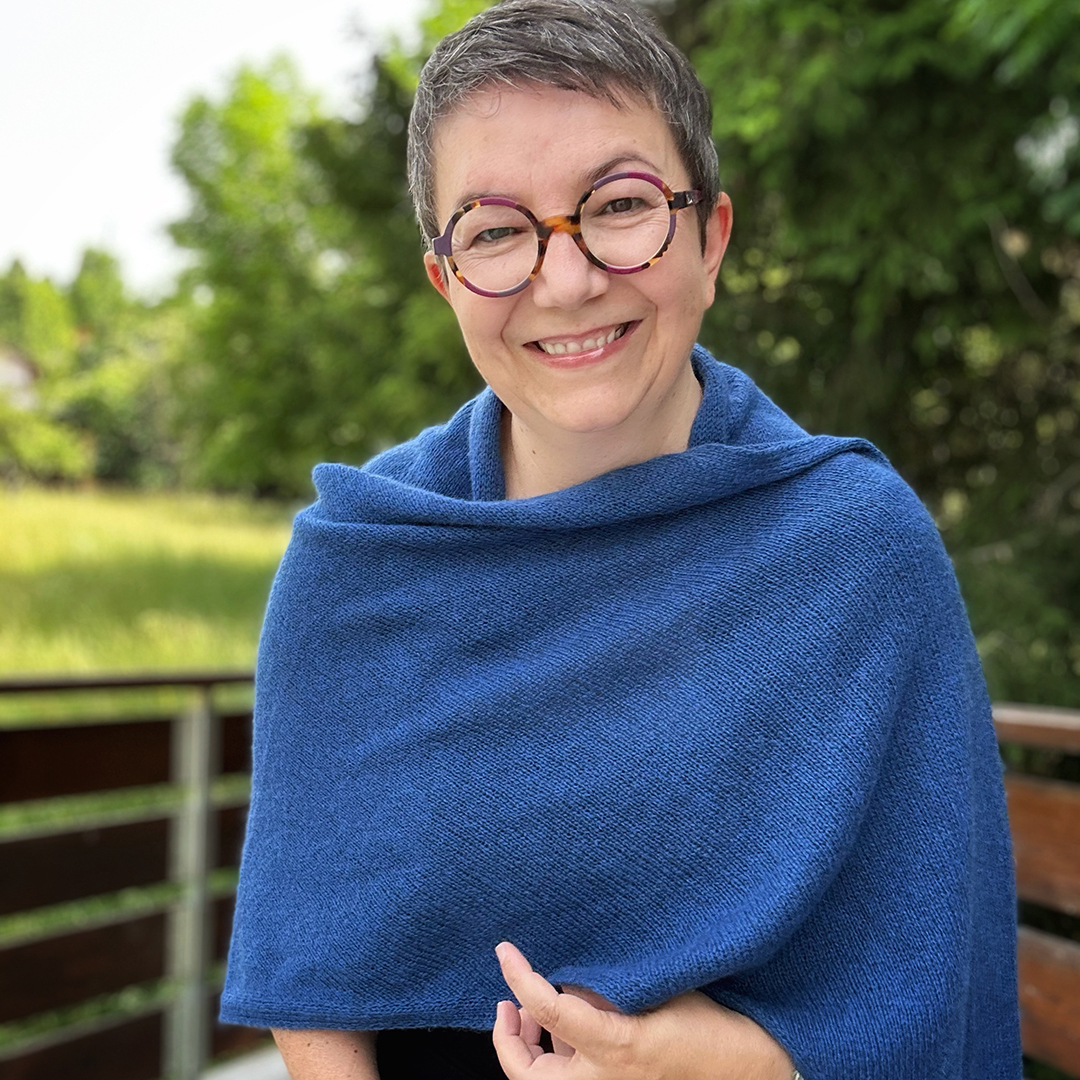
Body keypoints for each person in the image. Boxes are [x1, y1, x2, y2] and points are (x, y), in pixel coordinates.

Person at [219, 1, 1023, 1077]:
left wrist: (687, 1061)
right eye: (495, 230)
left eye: (621, 205)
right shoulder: (357, 564)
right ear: (446, 280)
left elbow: (928, 989)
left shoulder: (856, 551)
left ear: (712, 239)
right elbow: (311, 974)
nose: (566, 280)